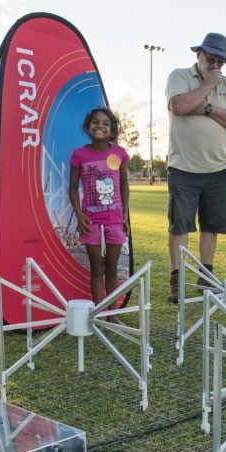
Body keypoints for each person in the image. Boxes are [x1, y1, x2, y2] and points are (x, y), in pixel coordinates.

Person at [165, 32, 226, 303]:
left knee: (210, 226)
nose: (216, 66)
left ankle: (205, 277)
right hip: (183, 168)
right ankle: (178, 281)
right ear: (198, 54)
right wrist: (208, 85)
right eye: (211, 59)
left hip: (220, 169)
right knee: (180, 225)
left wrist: (207, 107)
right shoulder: (179, 76)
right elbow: (179, 106)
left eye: (221, 62)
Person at [68, 107, 130, 305]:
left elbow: (123, 185)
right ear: (88, 128)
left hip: (114, 220)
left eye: (105, 123)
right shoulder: (79, 155)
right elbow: (72, 188)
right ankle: (98, 315)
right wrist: (79, 215)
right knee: (97, 268)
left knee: (112, 268)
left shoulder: (119, 154)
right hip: (90, 221)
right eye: (95, 122)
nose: (100, 126)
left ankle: (111, 314)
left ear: (112, 131)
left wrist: (125, 214)